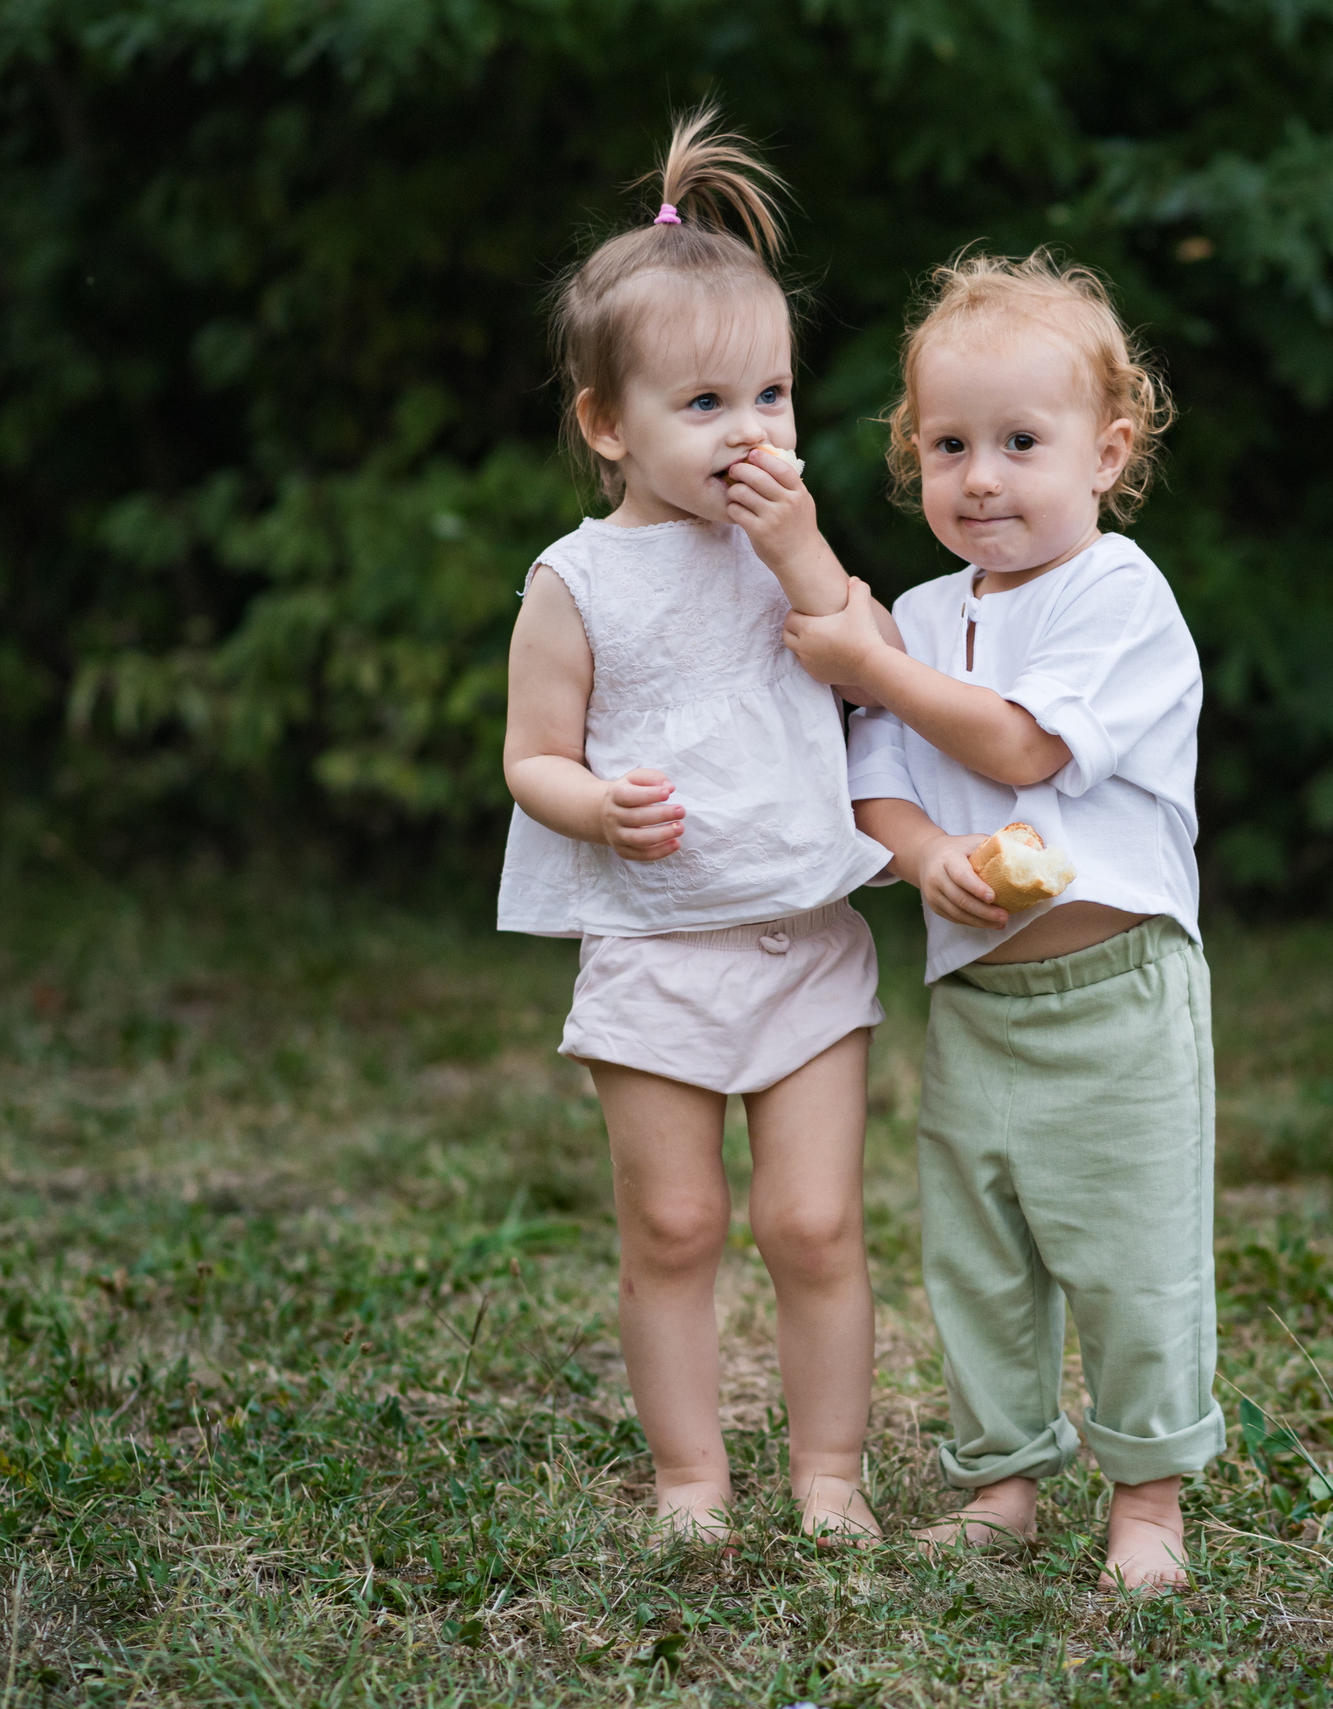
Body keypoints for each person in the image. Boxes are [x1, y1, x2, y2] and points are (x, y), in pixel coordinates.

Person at [782, 250, 1221, 1589]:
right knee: (979, 1256)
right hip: (978, 997)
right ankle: (1001, 1479)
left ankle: (1147, 1498)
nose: (981, 476)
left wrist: (872, 666)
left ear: (1108, 450)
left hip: (1116, 988)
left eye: (1022, 442)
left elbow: (1027, 750)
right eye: (948, 444)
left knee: (1132, 1251)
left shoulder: (1117, 595)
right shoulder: (916, 613)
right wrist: (925, 860)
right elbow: (876, 791)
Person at [497, 108, 895, 1545]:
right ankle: (687, 1475)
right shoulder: (578, 580)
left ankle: (830, 1472)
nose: (753, 435)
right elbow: (531, 756)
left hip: (799, 931)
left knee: (811, 1223)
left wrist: (799, 543)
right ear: (609, 424)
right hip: (655, 943)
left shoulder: (784, 540)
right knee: (675, 1224)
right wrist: (592, 802)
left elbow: (867, 651)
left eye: (774, 396)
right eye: (707, 405)